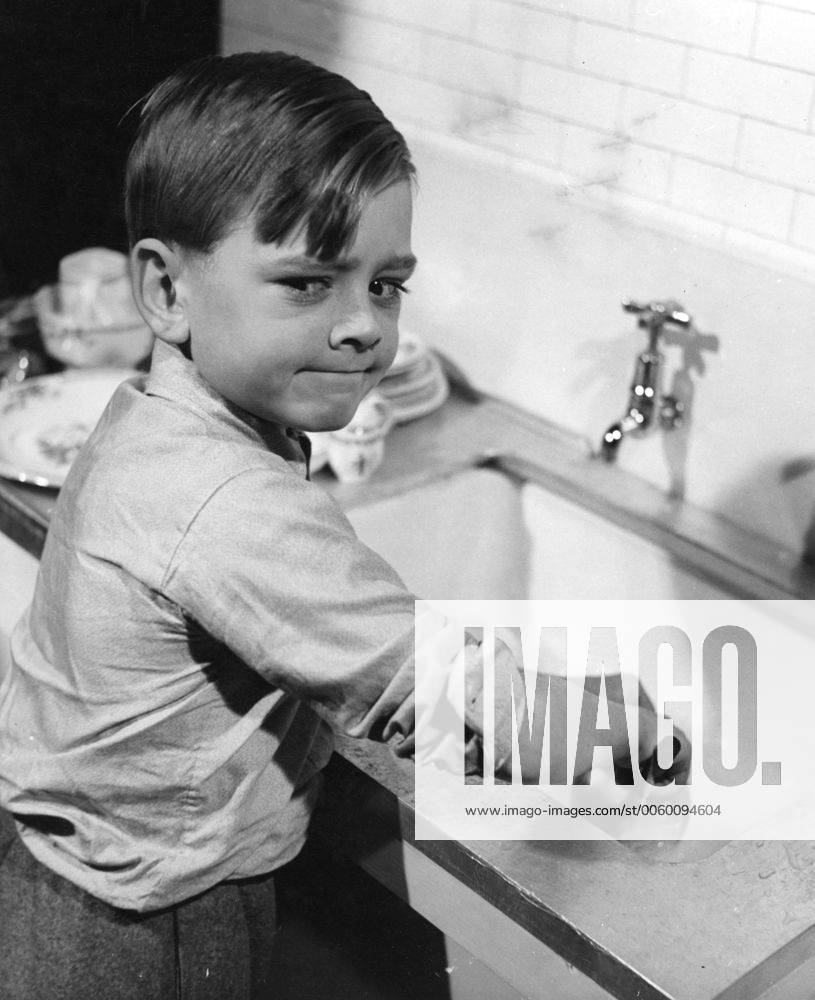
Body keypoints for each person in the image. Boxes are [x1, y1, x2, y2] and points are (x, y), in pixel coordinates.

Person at [0, 51, 680, 1000]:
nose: (363, 325)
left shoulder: (159, 423)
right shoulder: (222, 499)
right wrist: (635, 731)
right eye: (309, 283)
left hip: (65, 871)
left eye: (386, 285)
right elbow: (435, 687)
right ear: (164, 291)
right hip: (148, 918)